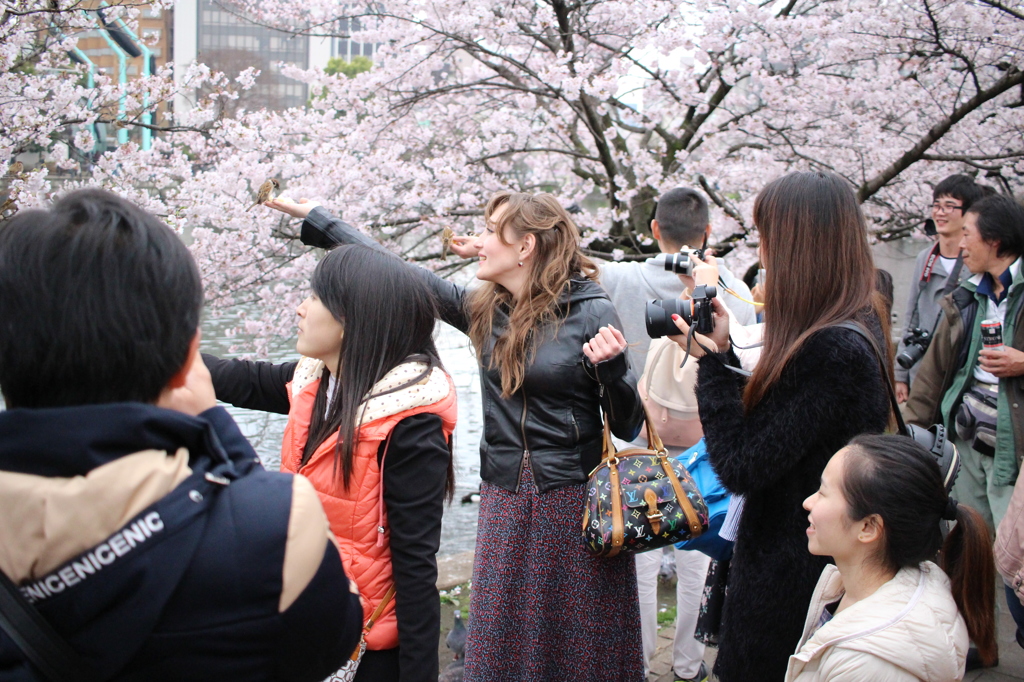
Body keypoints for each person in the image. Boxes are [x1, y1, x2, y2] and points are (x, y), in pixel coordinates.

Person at [264, 190, 646, 681]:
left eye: (490, 232)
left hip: (569, 500)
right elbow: (396, 271)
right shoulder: (484, 310)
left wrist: (612, 371)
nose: (478, 242)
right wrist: (320, 221)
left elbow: (629, 424)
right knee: (503, 639)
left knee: (573, 644)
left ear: (526, 245)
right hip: (505, 497)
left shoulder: (591, 311)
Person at [0, 189, 362, 681]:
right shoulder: (269, 527)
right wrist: (217, 427)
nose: (301, 309)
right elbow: (332, 639)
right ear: (187, 355)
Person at [667, 171, 891, 682]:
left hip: (793, 572)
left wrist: (712, 363)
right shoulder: (856, 319)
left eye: (766, 235)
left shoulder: (831, 349)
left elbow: (741, 465)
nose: (762, 251)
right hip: (814, 557)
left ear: (795, 244)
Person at [203, 244, 458, 682]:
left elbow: (415, 564)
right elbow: (235, 378)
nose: (300, 309)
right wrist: (155, 349)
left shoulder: (410, 423)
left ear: (351, 318)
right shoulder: (318, 381)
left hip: (366, 644)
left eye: (314, 297)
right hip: (307, 619)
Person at [601, 187, 755, 682]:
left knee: (640, 558)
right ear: (708, 231)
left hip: (639, 436)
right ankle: (688, 665)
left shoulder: (623, 277)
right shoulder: (733, 290)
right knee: (697, 560)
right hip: (709, 443)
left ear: (654, 229)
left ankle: (641, 662)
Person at [787, 433, 995, 680]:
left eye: (823, 492)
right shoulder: (862, 588)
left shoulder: (866, 665)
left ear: (868, 527)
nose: (808, 502)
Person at [905, 194, 1024, 535]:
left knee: (1012, 548)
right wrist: (909, 439)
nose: (961, 245)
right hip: (966, 435)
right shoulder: (967, 296)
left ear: (994, 240)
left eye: (968, 234)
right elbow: (933, 375)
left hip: (1014, 441)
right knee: (969, 537)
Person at [895, 175, 982, 402]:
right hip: (921, 370)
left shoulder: (977, 261)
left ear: (969, 213)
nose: (940, 212)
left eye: (949, 206)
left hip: (960, 371)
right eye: (937, 205)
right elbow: (911, 316)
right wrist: (900, 374)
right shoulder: (925, 258)